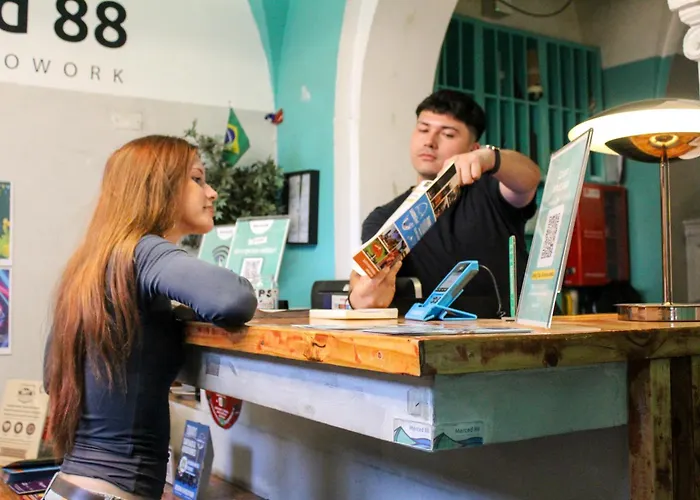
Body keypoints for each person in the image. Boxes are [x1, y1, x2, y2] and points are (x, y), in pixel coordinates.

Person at [42, 136, 258, 499]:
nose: (212, 192)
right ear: (159, 187)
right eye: (197, 179)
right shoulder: (142, 251)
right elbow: (233, 298)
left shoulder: (91, 265)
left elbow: (52, 376)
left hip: (70, 487)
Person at [348, 89, 541, 318]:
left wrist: (489, 158)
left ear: (473, 148)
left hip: (511, 332)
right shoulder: (383, 217)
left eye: (448, 134)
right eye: (423, 129)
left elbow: (529, 178)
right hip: (426, 336)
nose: (429, 142)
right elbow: (361, 281)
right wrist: (358, 300)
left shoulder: (491, 192)